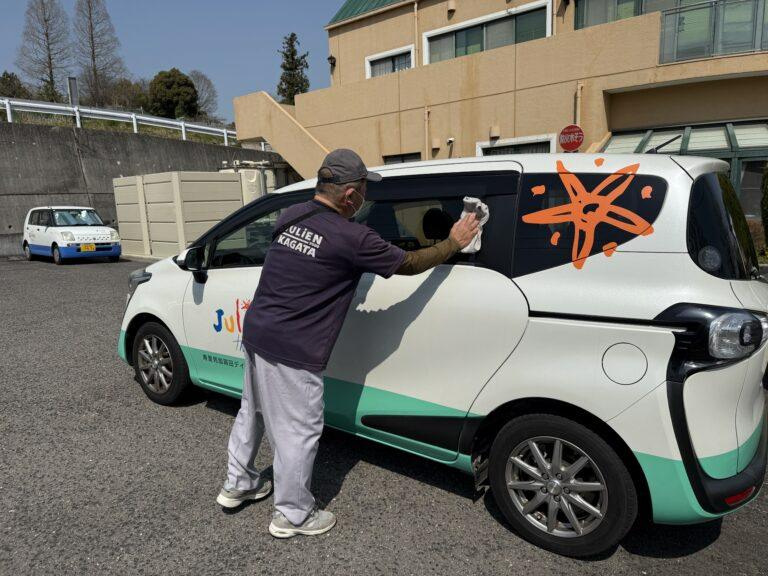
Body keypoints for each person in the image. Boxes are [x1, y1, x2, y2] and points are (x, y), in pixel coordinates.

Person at [217, 148, 479, 538]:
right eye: (363, 191)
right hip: (294, 348)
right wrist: (453, 242)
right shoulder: (353, 237)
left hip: (257, 332)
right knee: (297, 430)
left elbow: (309, 262)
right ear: (351, 196)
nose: (365, 198)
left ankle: (239, 482)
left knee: (252, 412)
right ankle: (293, 514)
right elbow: (406, 265)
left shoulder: (292, 215)